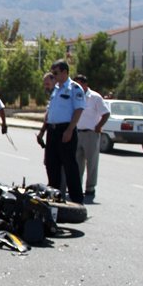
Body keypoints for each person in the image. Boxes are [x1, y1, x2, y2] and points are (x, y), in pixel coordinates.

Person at [39, 60, 85, 203]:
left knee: (69, 165)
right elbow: (50, 112)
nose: (53, 76)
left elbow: (78, 110)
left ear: (65, 72)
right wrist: (42, 132)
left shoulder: (74, 88)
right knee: (52, 164)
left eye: (56, 73)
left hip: (65, 130)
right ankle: (55, 196)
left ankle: (77, 199)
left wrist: (70, 129)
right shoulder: (56, 90)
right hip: (52, 131)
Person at [73, 74, 110, 197]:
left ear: (85, 84)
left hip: (91, 133)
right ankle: (76, 186)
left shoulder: (95, 97)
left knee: (92, 162)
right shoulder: (75, 96)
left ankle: (90, 187)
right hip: (77, 133)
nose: (76, 87)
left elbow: (105, 113)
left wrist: (99, 126)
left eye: (78, 84)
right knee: (77, 162)